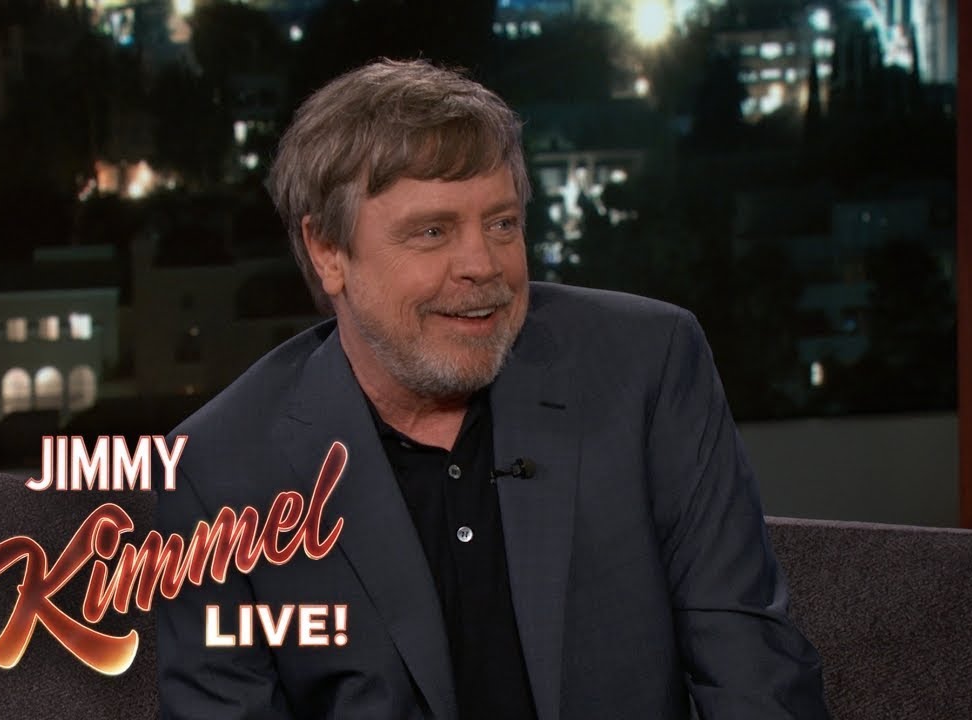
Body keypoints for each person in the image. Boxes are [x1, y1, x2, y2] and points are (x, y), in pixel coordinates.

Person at [155, 58, 828, 719]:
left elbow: (752, 674)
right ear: (328, 251)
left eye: (502, 224)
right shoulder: (221, 473)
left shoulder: (648, 366)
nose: (482, 265)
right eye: (432, 232)